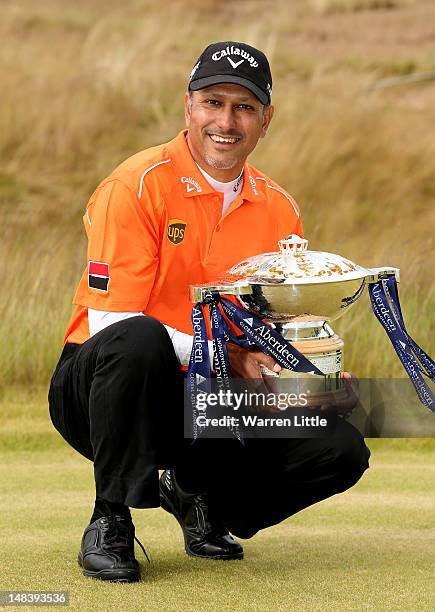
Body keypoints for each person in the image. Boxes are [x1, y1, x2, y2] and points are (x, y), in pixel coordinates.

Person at [48, 41, 370, 583]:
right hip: (106, 389)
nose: (226, 121)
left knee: (340, 444)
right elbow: (112, 324)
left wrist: (307, 377)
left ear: (266, 119)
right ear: (188, 107)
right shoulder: (136, 185)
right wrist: (225, 356)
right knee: (139, 337)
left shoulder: (280, 207)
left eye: (244, 107)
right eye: (213, 102)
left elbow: (273, 326)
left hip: (207, 400)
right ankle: (110, 519)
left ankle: (203, 499)